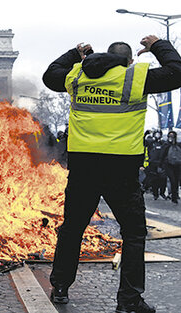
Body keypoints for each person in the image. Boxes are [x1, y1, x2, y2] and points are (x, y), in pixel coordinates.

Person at [42, 35, 181, 313]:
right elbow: (176, 72)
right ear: (129, 61)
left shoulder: (79, 77)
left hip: (83, 169)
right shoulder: (136, 78)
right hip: (122, 170)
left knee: (72, 230)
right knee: (133, 234)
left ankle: (59, 287)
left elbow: (50, 76)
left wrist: (75, 53)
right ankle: (129, 300)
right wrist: (157, 46)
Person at [145, 130, 167, 200]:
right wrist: (146, 134)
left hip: (161, 163)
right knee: (154, 180)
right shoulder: (151, 142)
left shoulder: (163, 143)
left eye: (159, 134)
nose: (158, 135)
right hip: (152, 163)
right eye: (156, 134)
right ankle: (155, 194)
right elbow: (144, 142)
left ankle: (162, 193)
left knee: (163, 179)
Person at [161, 130, 181, 204]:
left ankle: (175, 195)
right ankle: (173, 196)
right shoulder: (166, 144)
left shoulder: (178, 145)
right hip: (168, 165)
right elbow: (162, 155)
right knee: (172, 180)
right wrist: (160, 165)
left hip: (178, 165)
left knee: (176, 181)